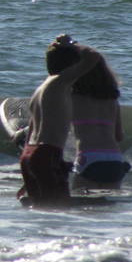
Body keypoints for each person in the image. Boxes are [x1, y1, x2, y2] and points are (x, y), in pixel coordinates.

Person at [18, 34, 101, 206]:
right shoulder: (60, 82)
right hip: (47, 154)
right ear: (71, 65)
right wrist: (72, 44)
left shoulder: (40, 90)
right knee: (59, 209)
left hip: (29, 155)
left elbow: (31, 130)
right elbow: (94, 57)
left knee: (41, 210)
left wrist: (30, 173)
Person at [70, 56, 130, 190]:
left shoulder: (72, 98)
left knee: (80, 202)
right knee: (107, 203)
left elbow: (57, 128)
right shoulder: (112, 101)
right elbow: (119, 136)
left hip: (89, 158)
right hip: (115, 159)